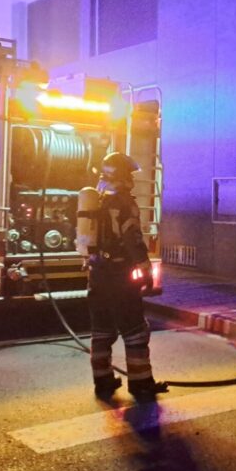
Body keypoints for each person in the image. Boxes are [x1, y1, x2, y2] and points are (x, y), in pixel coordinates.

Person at [87, 152, 166, 400]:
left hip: (97, 273)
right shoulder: (123, 202)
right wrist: (145, 269)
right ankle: (141, 384)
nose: (132, 180)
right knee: (135, 330)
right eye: (129, 175)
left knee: (102, 331)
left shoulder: (96, 200)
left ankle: (103, 381)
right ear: (121, 176)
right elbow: (132, 238)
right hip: (118, 275)